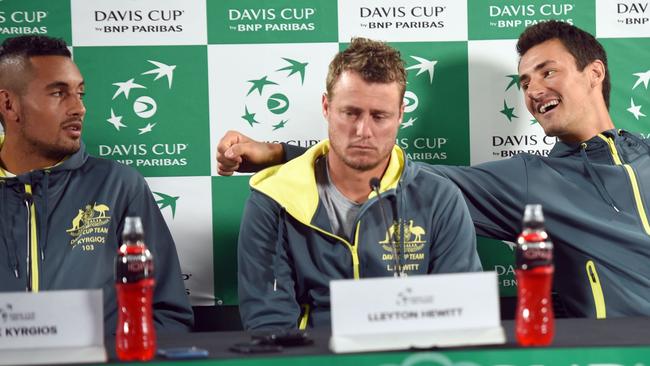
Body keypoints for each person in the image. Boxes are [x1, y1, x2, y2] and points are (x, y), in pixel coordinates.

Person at [217, 21, 650, 319]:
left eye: (547, 71)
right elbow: (390, 169)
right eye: (524, 82)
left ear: (594, 73)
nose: (534, 90)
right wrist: (279, 152)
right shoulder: (528, 180)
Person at [237, 37, 481, 330]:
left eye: (380, 116)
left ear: (401, 115)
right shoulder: (273, 199)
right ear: (327, 107)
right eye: (350, 113)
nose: (363, 131)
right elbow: (270, 325)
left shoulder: (440, 198)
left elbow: (460, 315)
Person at [0, 35, 193, 334]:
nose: (79, 108)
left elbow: (168, 314)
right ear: (9, 104)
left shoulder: (119, 185)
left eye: (80, 93)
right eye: (58, 93)